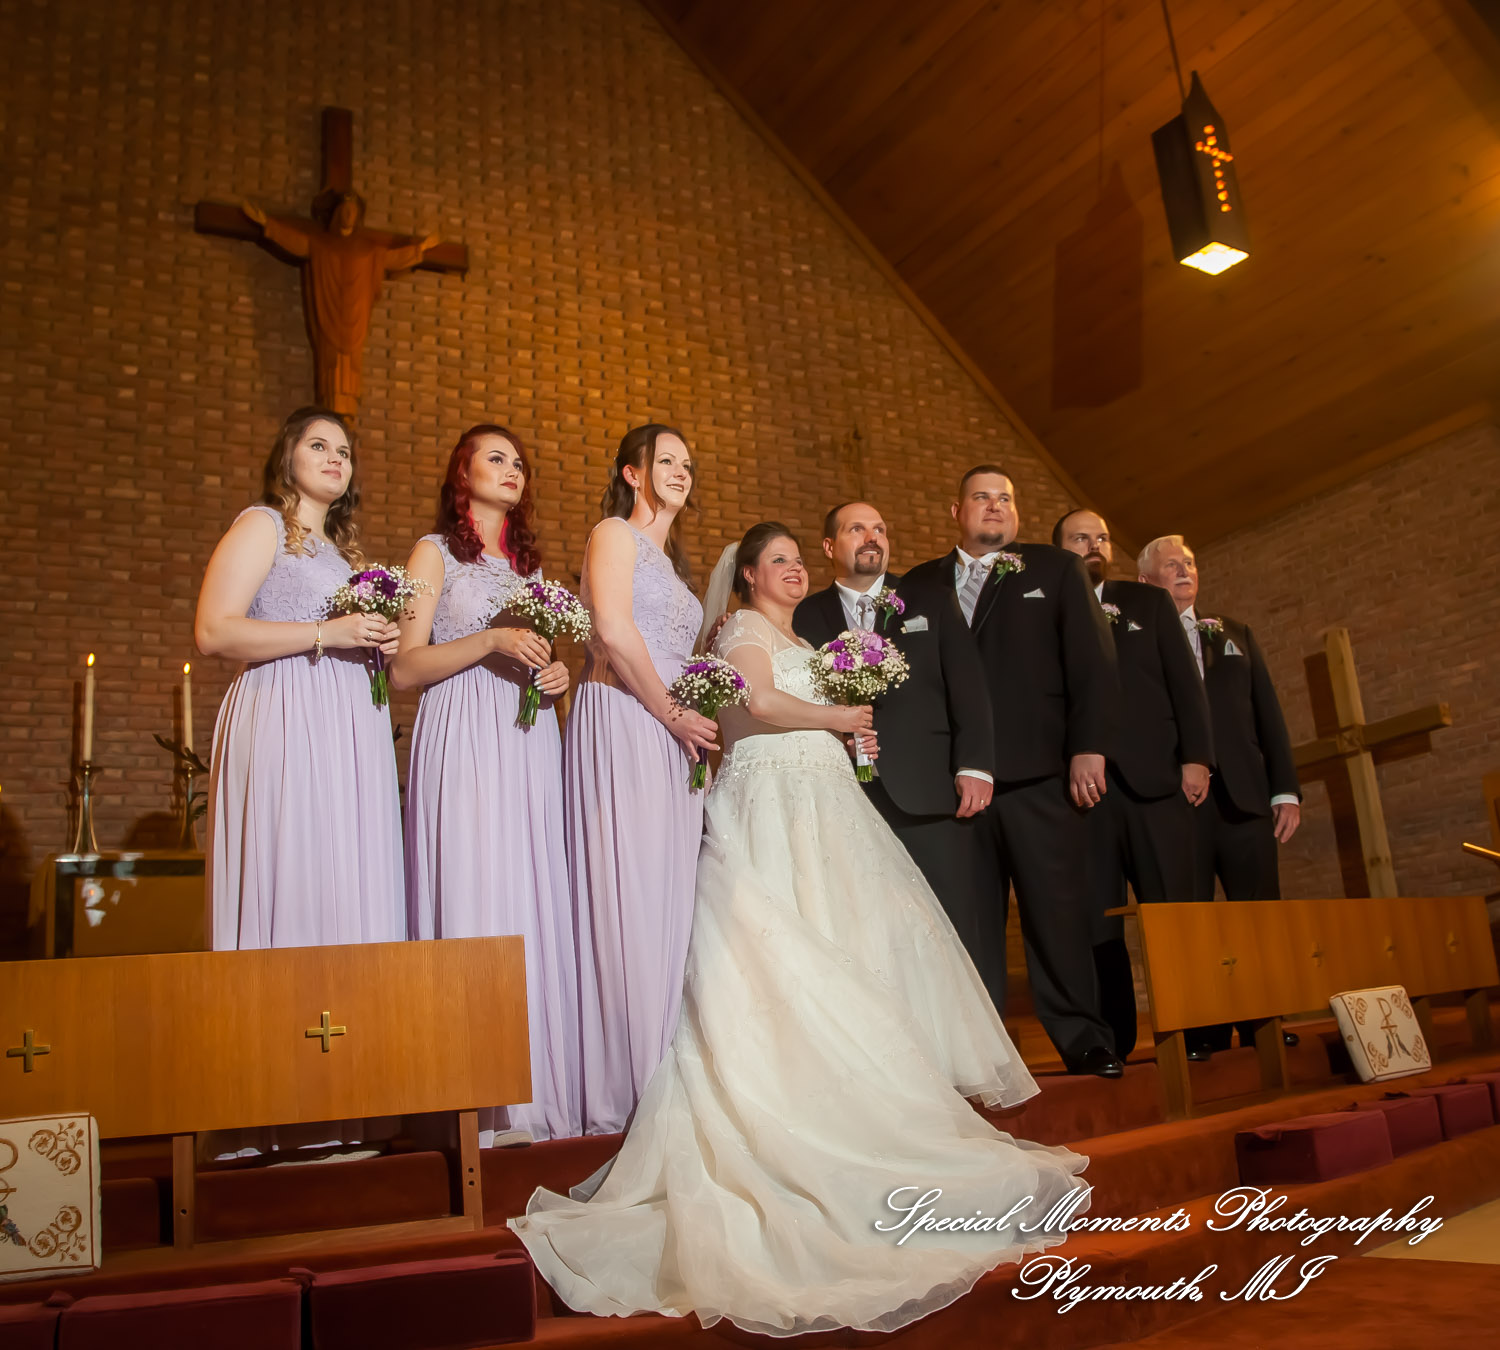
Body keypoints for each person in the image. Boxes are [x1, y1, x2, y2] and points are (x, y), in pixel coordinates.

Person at [509, 523, 1087, 1338]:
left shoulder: (805, 635)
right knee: (784, 950)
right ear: (747, 575)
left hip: (823, 799)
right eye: (777, 560)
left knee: (849, 948)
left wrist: (847, 727)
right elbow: (758, 702)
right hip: (771, 798)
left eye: (795, 561)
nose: (792, 570)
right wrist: (838, 712)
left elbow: (801, 705)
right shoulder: (742, 631)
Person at [195, 406, 404, 1158]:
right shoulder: (262, 526)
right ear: (286, 456)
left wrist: (373, 640)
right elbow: (214, 630)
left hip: (346, 729)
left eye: (344, 450)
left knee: (342, 887)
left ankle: (343, 1100)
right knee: (292, 880)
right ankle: (271, 1104)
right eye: (318, 445)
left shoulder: (342, 557)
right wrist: (329, 633)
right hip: (285, 720)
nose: (333, 458)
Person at [393, 424, 579, 1143]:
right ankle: (473, 1106)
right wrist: (492, 642)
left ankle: (530, 1093)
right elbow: (406, 667)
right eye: (496, 457)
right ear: (461, 472)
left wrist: (554, 676)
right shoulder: (432, 554)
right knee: (472, 888)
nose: (513, 469)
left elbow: (536, 658)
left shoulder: (531, 575)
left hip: (527, 741)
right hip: (463, 732)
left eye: (520, 462)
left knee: (527, 892)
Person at [904, 467, 1123, 1078]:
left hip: (1039, 775)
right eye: (982, 497)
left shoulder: (1056, 570)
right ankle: (984, 1053)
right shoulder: (919, 584)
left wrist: (1089, 746)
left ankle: (1082, 1036)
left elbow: (1092, 664)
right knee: (969, 924)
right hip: (951, 783)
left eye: (1006, 499)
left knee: (1056, 912)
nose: (996, 507)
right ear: (956, 510)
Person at [565, 424, 718, 1135]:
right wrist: (673, 711)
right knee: (624, 888)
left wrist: (692, 721)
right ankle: (625, 1086)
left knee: (668, 894)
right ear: (633, 472)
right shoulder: (614, 535)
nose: (681, 472)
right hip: (626, 717)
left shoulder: (674, 564)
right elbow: (615, 629)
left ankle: (665, 1069)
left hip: (669, 730)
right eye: (667, 461)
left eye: (688, 464)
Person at [793, 501, 998, 993]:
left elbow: (968, 686)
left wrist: (976, 765)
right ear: (829, 546)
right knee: (871, 931)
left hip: (929, 791)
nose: (872, 537)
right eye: (857, 528)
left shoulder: (929, 597)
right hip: (845, 795)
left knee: (953, 926)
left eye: (880, 529)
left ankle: (979, 1054)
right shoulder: (804, 615)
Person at [1054, 509, 1213, 1060]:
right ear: (1060, 552)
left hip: (1156, 781)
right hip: (1085, 792)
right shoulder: (1049, 611)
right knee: (1099, 919)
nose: (1095, 545)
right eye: (1081, 538)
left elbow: (1184, 683)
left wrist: (1197, 757)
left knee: (1175, 911)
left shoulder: (1147, 603)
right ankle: (1114, 1039)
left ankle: (1198, 1030)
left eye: (1101, 537)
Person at [1137, 533, 1302, 1057]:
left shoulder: (1235, 633)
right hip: (1177, 799)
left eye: (1188, 561)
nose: (1184, 569)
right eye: (1170, 564)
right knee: (1192, 919)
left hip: (1246, 799)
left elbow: (1267, 715)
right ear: (1145, 581)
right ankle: (1204, 1030)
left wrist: (1285, 790)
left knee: (1258, 916)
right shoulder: (1136, 640)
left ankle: (1264, 1025)